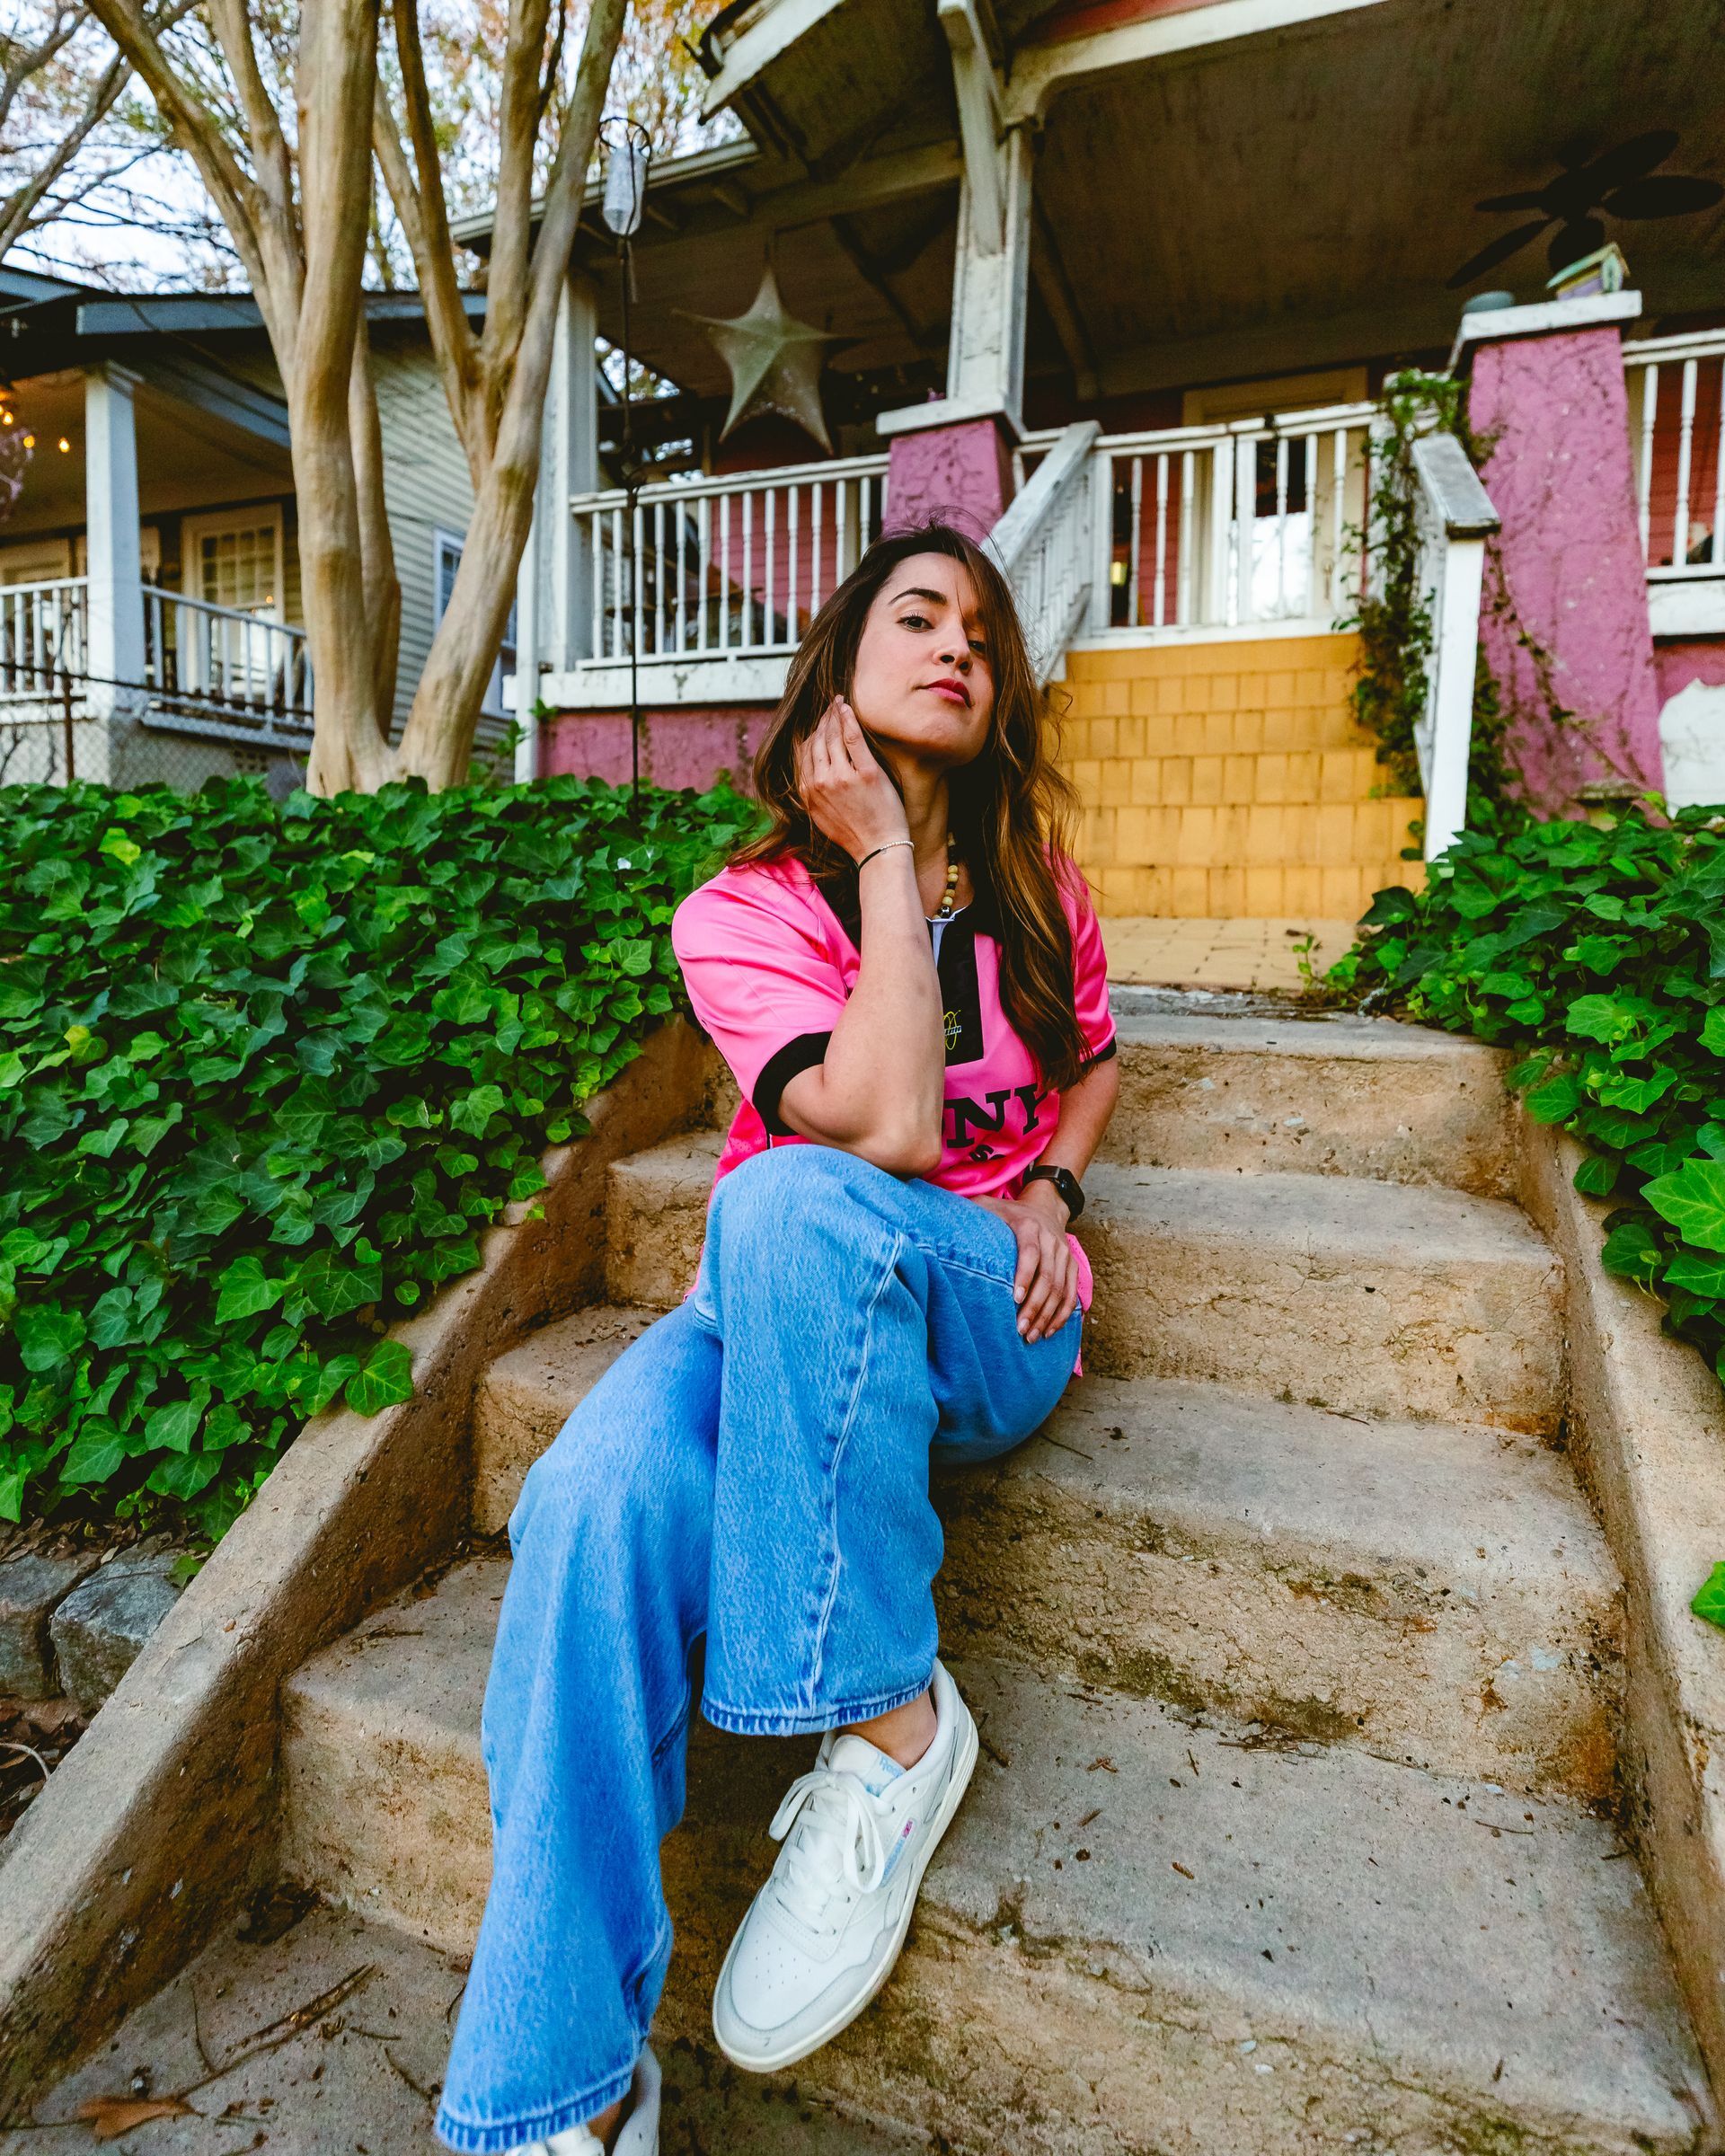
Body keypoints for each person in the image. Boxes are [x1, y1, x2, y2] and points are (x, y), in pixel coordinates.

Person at [435, 521, 1120, 2156]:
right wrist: (883, 856)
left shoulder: (1037, 890)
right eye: (916, 614)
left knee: (789, 1206)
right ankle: (552, 2098)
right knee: (592, 1504)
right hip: (775, 1301)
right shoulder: (736, 914)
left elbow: (1088, 1059)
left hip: (982, 1311)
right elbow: (877, 1116)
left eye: (982, 628)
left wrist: (1056, 1193)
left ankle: (882, 1721)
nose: (960, 644)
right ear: (833, 672)